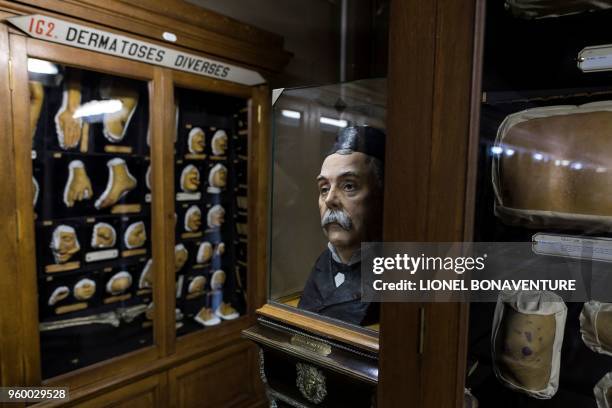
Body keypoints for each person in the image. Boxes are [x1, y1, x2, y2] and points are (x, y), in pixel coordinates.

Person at [298, 125, 384, 325]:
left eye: (348, 186)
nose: (329, 200)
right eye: (324, 188)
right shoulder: (321, 266)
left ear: (381, 196)